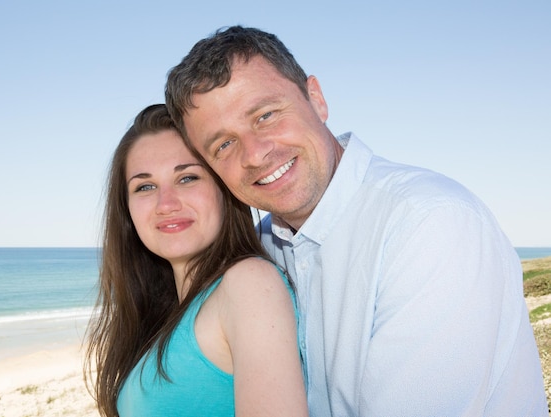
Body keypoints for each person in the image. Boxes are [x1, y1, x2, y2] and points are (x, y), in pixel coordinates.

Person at [164, 26, 548, 416]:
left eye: (265, 116)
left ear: (316, 99)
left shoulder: (429, 224)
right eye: (224, 144)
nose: (255, 154)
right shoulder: (259, 249)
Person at [83, 104, 308, 417]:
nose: (167, 204)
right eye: (145, 186)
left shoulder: (248, 284)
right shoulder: (171, 316)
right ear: (128, 211)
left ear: (223, 188)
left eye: (187, 178)